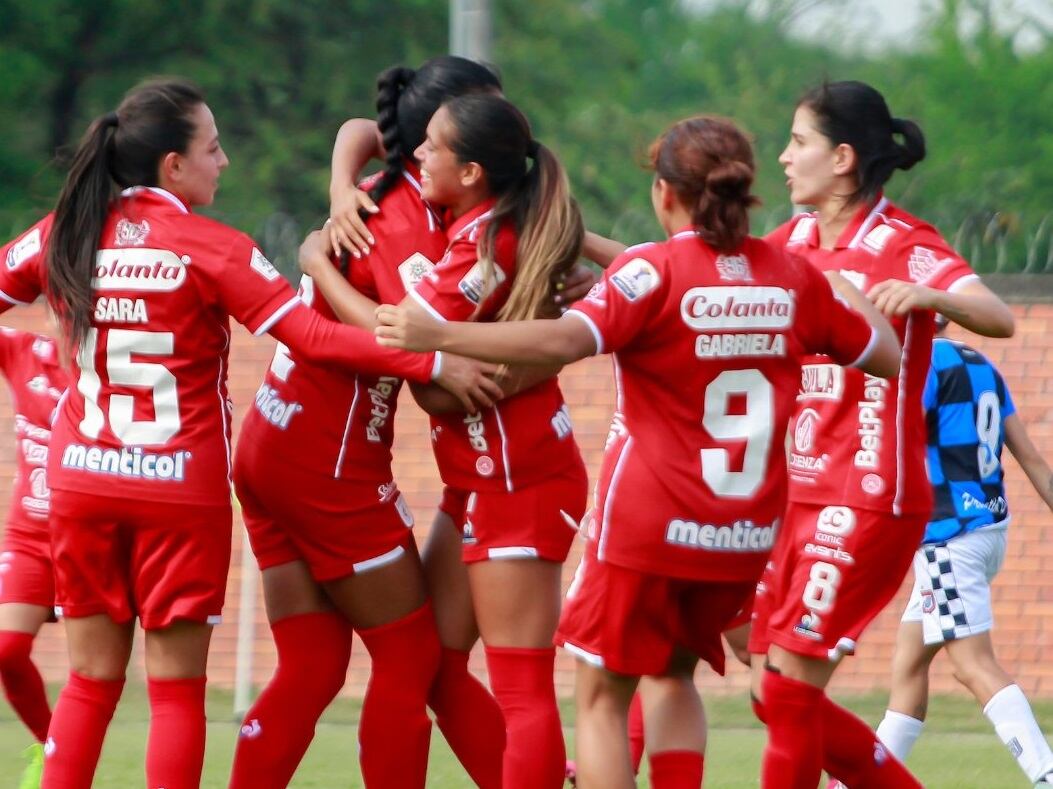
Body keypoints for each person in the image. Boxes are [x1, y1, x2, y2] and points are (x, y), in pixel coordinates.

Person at [374, 113, 903, 789]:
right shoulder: (793, 277)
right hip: (740, 536)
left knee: (600, 700)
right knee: (673, 675)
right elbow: (884, 355)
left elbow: (562, 341)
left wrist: (439, 333)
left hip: (649, 530)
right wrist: (843, 280)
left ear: (664, 194)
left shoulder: (650, 273)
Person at [0, 77, 490, 789]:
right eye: (213, 147)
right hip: (178, 491)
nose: (223, 162)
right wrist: (430, 355)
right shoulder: (211, 247)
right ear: (173, 165)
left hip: (83, 482)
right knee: (173, 692)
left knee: (88, 682)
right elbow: (315, 336)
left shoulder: (65, 230)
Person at [228, 57, 507, 789]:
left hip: (269, 442)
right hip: (328, 463)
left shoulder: (387, 187)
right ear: (438, 141)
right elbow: (406, 333)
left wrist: (332, 198)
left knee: (315, 663)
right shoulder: (409, 220)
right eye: (486, 117)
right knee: (413, 658)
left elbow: (359, 127)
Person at [307, 92, 588, 789]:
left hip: (518, 479)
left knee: (522, 686)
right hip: (481, 479)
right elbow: (362, 130)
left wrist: (315, 263)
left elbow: (396, 339)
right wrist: (343, 185)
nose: (415, 156)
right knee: (435, 661)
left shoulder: (481, 246)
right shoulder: (486, 222)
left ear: (469, 172)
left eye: (431, 146)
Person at [747, 80, 1016, 789]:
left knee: (789, 694)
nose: (781, 157)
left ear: (839, 158)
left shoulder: (901, 241)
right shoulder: (792, 242)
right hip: (795, 496)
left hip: (866, 493)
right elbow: (694, 279)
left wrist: (931, 295)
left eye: (796, 142)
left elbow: (996, 315)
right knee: (767, 694)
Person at [843, 322, 1053, 787]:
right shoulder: (982, 364)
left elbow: (889, 452)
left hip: (949, 538)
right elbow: (1034, 460)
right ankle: (859, 781)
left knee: (971, 664)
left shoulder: (920, 369)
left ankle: (1046, 773)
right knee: (909, 665)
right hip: (988, 530)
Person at [0, 326, 66, 788]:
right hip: (28, 538)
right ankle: (50, 748)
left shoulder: (111, 360)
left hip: (91, 540)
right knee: (6, 650)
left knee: (98, 671)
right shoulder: (22, 349)